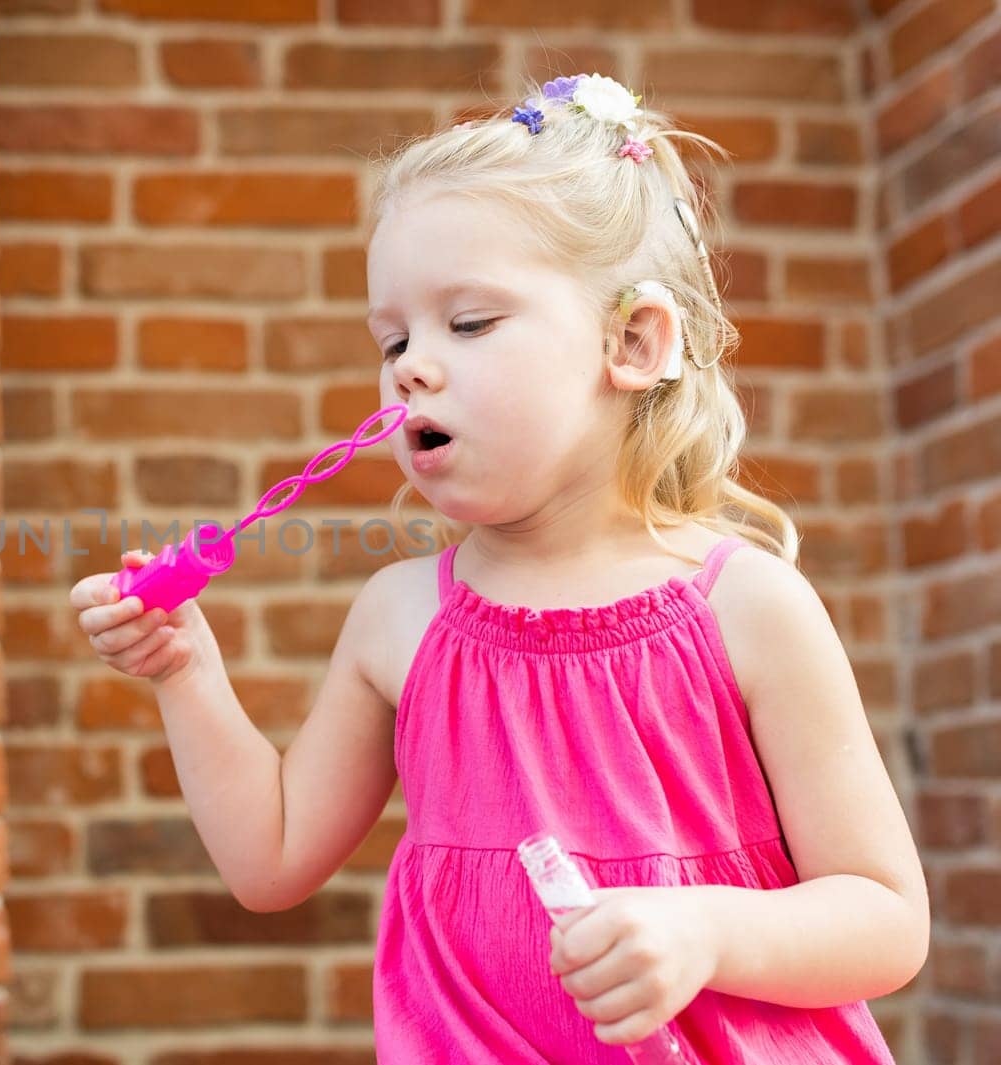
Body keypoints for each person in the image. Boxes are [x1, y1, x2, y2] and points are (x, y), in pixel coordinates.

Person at [69, 72, 927, 1063]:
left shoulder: (746, 607)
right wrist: (184, 672)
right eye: (392, 338)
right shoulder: (400, 618)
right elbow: (270, 860)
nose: (409, 367)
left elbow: (885, 918)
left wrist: (705, 931)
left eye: (467, 324)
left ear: (633, 342)